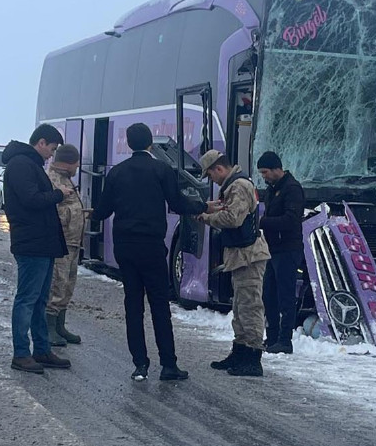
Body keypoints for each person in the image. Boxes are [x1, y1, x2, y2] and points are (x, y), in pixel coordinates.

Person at [90, 123, 205, 382]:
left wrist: (92, 214)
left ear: (129, 144)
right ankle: (168, 365)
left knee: (133, 305)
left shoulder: (117, 173)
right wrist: (202, 205)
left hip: (125, 248)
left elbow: (103, 210)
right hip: (152, 247)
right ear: (150, 143)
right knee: (159, 306)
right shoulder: (161, 169)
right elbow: (177, 203)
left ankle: (140, 365)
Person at [2, 125, 73, 375]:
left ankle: (41, 349)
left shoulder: (29, 164)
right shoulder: (21, 165)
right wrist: (58, 194)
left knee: (40, 299)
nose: (51, 156)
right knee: (27, 299)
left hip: (41, 242)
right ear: (41, 143)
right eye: (52, 150)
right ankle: (21, 353)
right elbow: (31, 200)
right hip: (31, 242)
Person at [198, 150, 272, 378]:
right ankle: (240, 351)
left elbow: (233, 218)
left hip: (248, 256)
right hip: (241, 255)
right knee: (240, 307)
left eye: (211, 175)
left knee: (250, 306)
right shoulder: (234, 185)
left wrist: (206, 217)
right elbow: (229, 209)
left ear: (218, 169)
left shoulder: (238, 186)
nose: (212, 180)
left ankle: (252, 357)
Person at [256, 151, 304, 354]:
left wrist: (263, 222)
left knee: (285, 296)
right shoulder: (271, 189)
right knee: (269, 294)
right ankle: (272, 335)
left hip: (287, 249)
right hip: (272, 249)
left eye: (265, 172)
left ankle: (285, 340)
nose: (264, 177)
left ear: (277, 169)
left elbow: (291, 220)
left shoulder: (292, 189)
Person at [45, 143, 86, 347]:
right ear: (68, 162)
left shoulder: (66, 178)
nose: (77, 167)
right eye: (76, 163)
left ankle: (60, 324)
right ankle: (49, 326)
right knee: (57, 285)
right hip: (61, 242)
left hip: (72, 242)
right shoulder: (53, 180)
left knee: (68, 284)